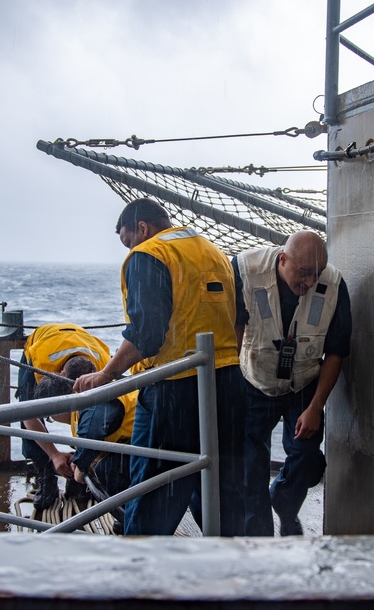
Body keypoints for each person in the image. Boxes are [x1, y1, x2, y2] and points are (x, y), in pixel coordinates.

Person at [74, 198, 246, 536]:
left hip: (174, 388)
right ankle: (231, 564)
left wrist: (106, 375)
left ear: (142, 228)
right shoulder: (215, 253)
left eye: (128, 240)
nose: (130, 247)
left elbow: (146, 334)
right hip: (226, 382)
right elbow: (240, 319)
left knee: (152, 488)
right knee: (218, 484)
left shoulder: (150, 254)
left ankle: (142, 570)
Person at [234, 230, 352, 536]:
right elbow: (230, 332)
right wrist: (230, 392)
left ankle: (285, 504)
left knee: (307, 457)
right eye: (304, 273)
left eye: (317, 274)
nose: (311, 282)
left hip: (304, 384)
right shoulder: (245, 270)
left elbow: (337, 350)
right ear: (283, 259)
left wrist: (316, 407)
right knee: (249, 468)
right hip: (253, 381)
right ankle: (258, 540)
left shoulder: (334, 285)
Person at [16, 323, 131, 515]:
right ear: (62, 374)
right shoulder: (38, 362)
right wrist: (53, 455)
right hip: (43, 344)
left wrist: (82, 459)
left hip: (85, 343)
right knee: (27, 407)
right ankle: (46, 476)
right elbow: (28, 415)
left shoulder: (104, 366)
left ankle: (80, 468)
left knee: (95, 416)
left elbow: (95, 420)